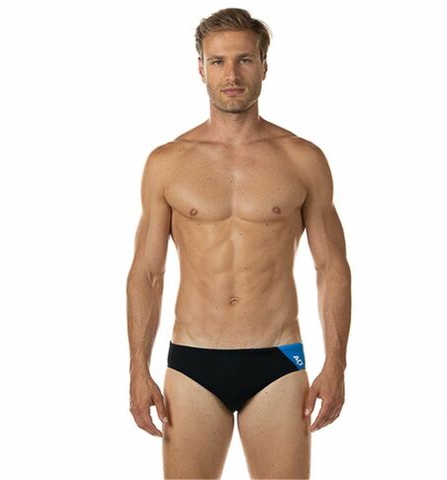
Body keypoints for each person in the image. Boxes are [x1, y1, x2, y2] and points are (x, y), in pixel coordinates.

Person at [126, 7, 351, 479]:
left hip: (279, 357)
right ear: (201, 68)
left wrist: (336, 364)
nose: (231, 74)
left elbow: (331, 266)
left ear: (264, 66)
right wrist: (137, 368)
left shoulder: (302, 159)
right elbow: (147, 272)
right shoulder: (167, 163)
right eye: (218, 61)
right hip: (192, 360)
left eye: (245, 60)